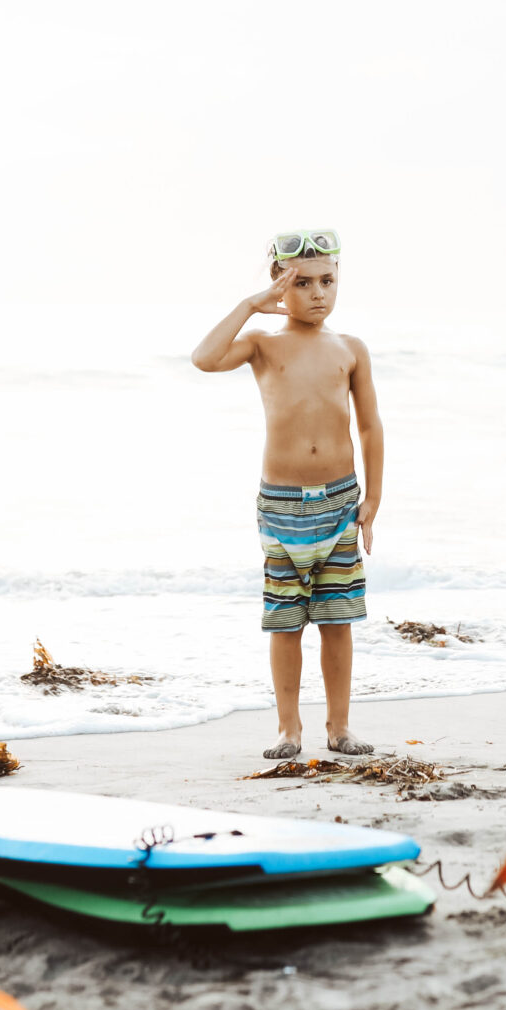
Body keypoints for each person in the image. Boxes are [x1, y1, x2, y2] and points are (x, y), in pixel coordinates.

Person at [191, 229, 383, 759]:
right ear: (280, 285)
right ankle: (288, 729)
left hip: (341, 504)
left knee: (338, 620)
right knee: (286, 621)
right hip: (281, 506)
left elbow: (369, 428)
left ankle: (339, 727)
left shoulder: (351, 349)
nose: (318, 292)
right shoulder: (262, 344)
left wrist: (373, 500)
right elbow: (204, 359)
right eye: (302, 283)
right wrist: (251, 305)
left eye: (328, 280)